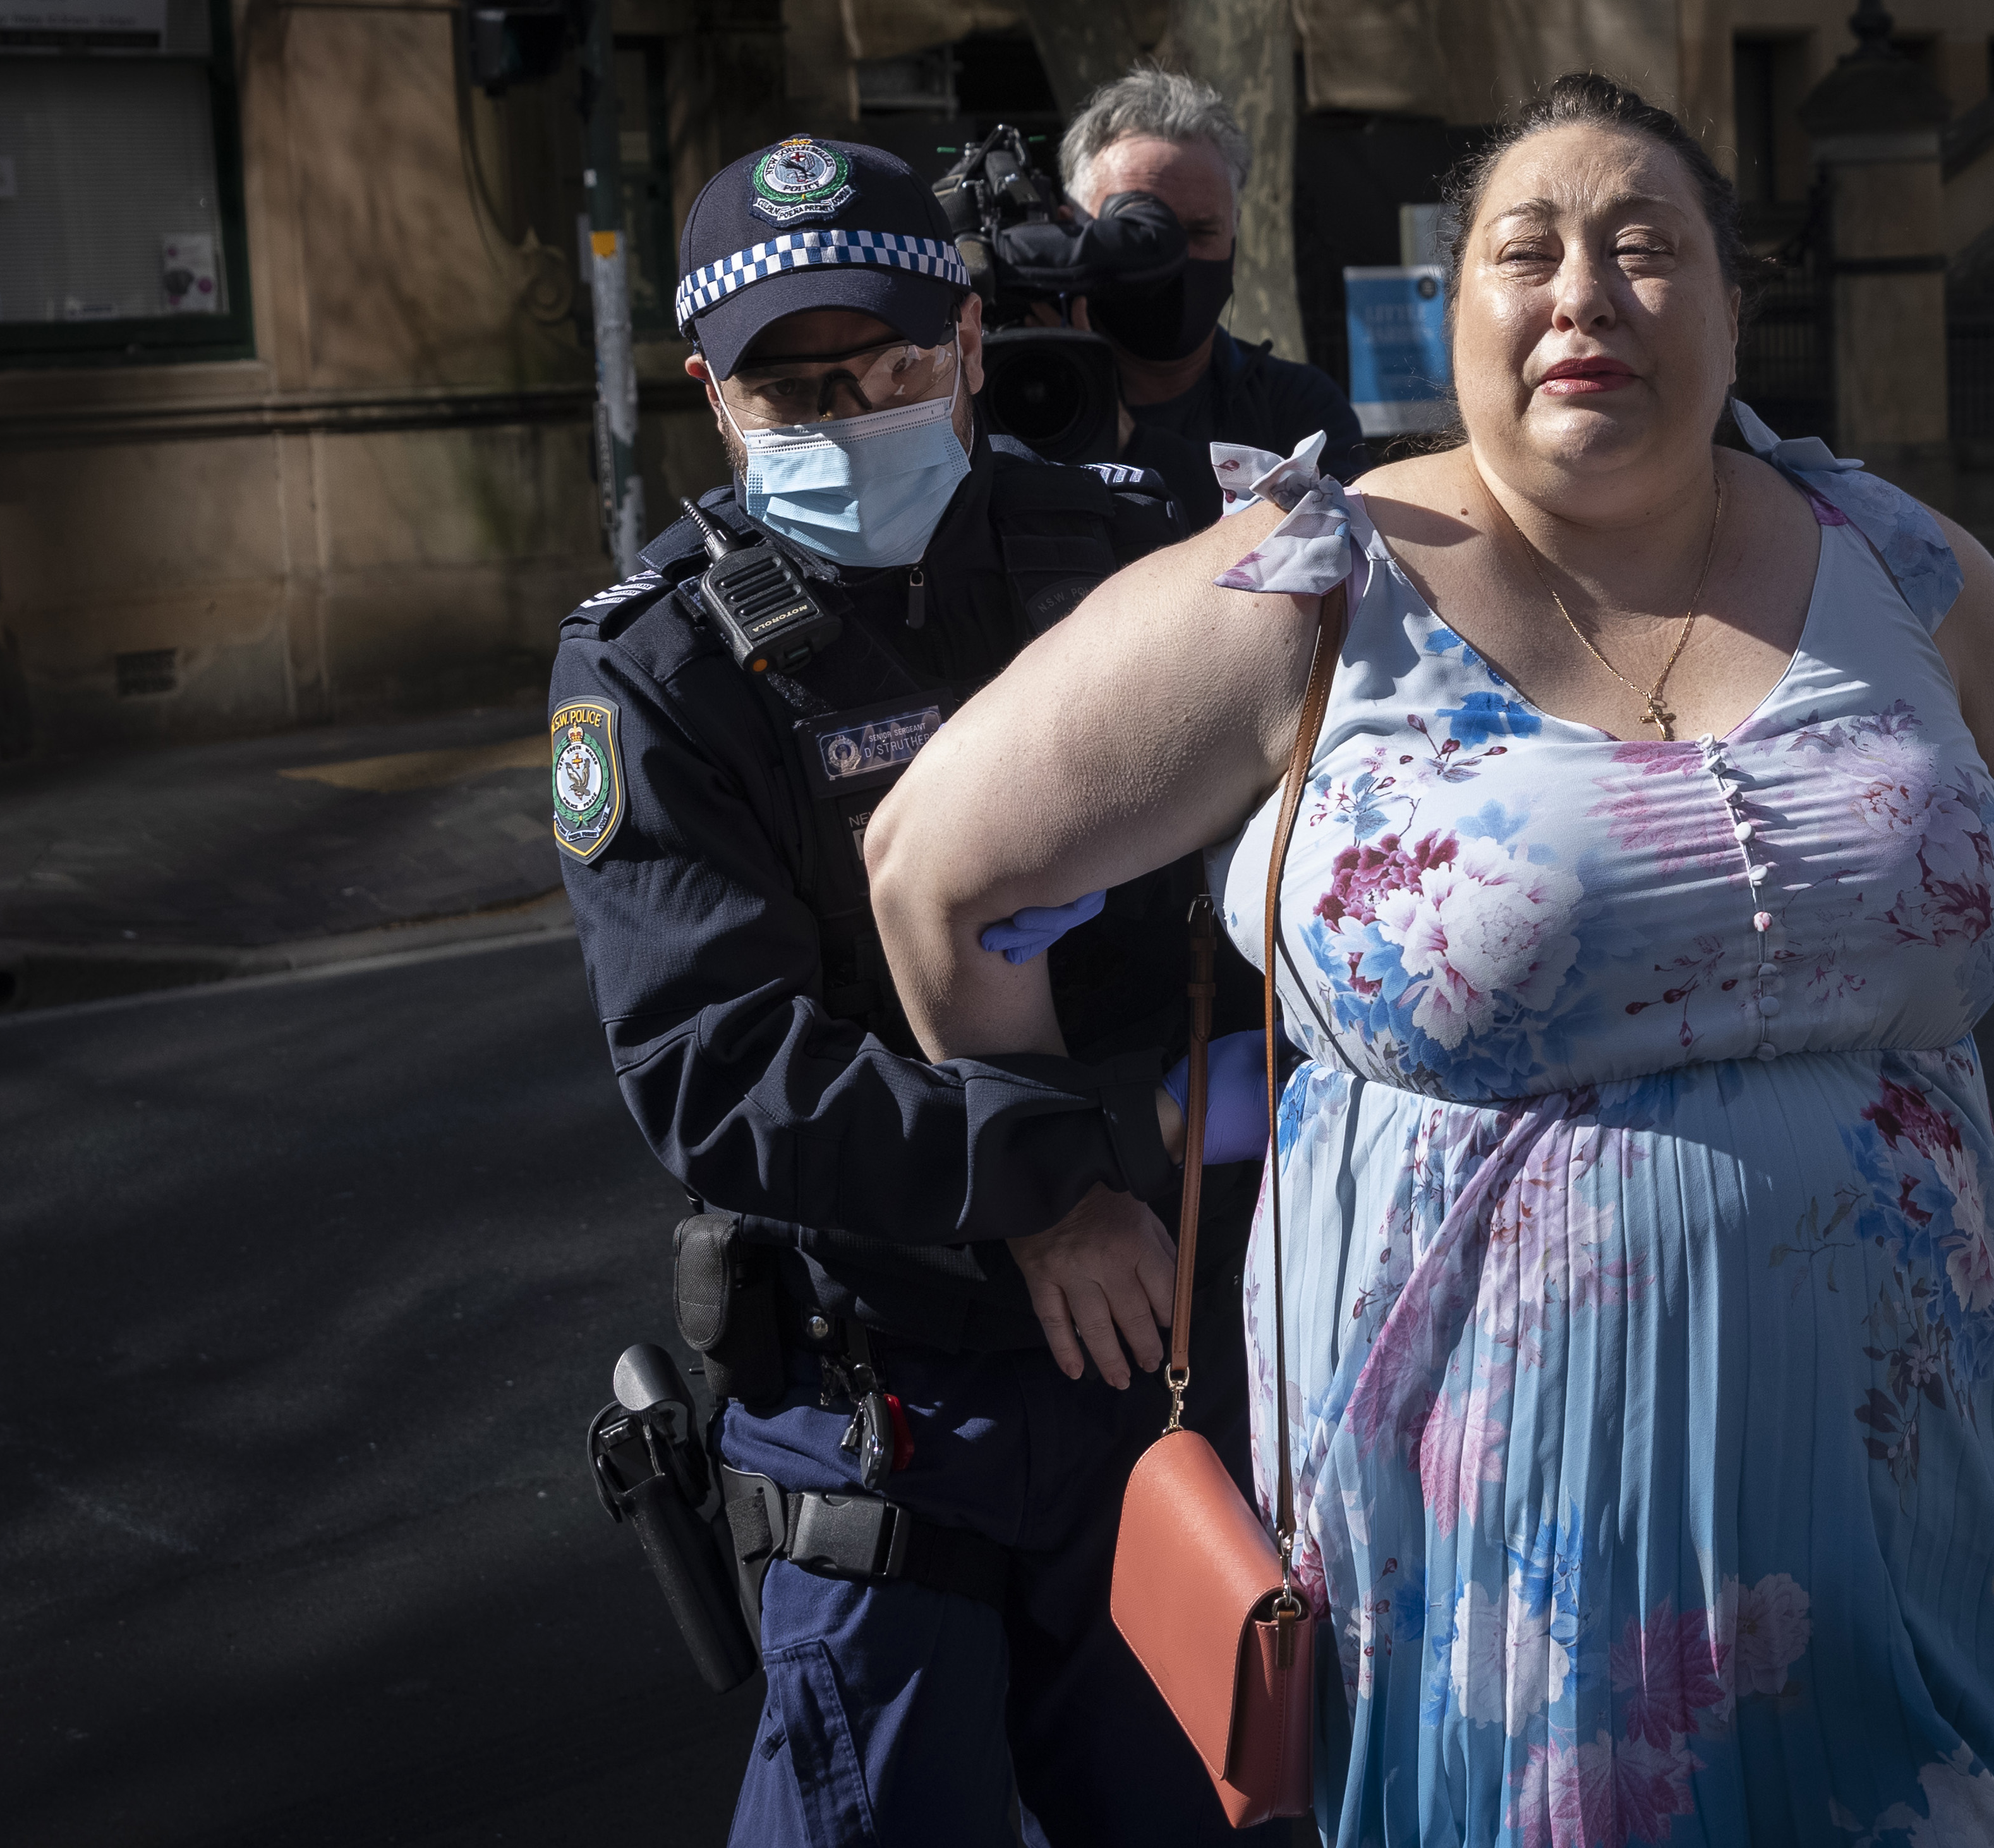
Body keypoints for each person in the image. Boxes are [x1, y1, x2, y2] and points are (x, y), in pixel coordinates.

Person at [864, 71, 1994, 1845]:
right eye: (1527, 250)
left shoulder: (1902, 564)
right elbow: (934, 869)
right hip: (1488, 1531)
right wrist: (1055, 1194)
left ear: (1735, 310)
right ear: (1457, 320)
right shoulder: (1311, 588)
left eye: (1646, 248)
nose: (1585, 290)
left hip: (1903, 1477)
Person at [548, 135, 1264, 1844]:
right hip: (884, 1411)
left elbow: (1278, 910)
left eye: (883, 363)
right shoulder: (653, 664)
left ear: (960, 345)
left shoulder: (1142, 558)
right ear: (717, 402)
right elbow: (715, 1063)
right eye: (797, 392)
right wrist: (1048, 1181)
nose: (851, 411)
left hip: (1168, 1373)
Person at [1056, 67, 1367, 529]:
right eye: (1138, 234)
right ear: (1071, 232)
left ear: (1235, 237)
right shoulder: (1006, 394)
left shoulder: (1301, 414)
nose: (1174, 258)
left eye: (1201, 232)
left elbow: (1329, 552)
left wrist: (1130, 443)